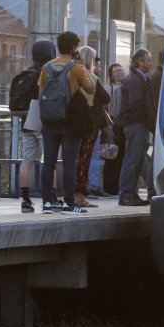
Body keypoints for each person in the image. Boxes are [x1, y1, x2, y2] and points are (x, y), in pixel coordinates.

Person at [38, 31, 95, 214]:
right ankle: (69, 204)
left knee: (49, 162)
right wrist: (82, 66)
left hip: (49, 122)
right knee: (70, 162)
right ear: (74, 48)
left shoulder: (46, 67)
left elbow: (40, 96)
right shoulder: (76, 68)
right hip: (70, 121)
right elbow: (91, 88)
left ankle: (47, 203)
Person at [12, 39, 57, 213]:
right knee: (49, 160)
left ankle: (25, 199)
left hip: (27, 122)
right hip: (45, 122)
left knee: (27, 161)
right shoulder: (47, 72)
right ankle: (51, 197)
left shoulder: (27, 72)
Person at [117, 48, 156, 206]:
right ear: (141, 62)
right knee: (132, 159)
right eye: (148, 60)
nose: (150, 63)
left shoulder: (142, 79)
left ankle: (131, 193)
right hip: (136, 124)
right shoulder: (135, 80)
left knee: (138, 160)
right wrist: (147, 120)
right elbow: (136, 104)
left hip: (140, 124)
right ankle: (126, 193)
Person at [72, 46, 110, 208]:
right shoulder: (92, 77)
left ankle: (70, 194)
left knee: (73, 158)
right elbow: (105, 97)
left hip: (73, 122)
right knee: (85, 159)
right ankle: (80, 196)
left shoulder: (72, 75)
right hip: (89, 123)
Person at [101, 63, 126, 196]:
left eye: (121, 70)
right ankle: (110, 186)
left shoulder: (127, 86)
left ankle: (118, 185)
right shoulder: (109, 88)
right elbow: (104, 108)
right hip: (113, 124)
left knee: (121, 155)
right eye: (116, 71)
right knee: (111, 156)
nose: (120, 72)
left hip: (123, 124)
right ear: (111, 75)